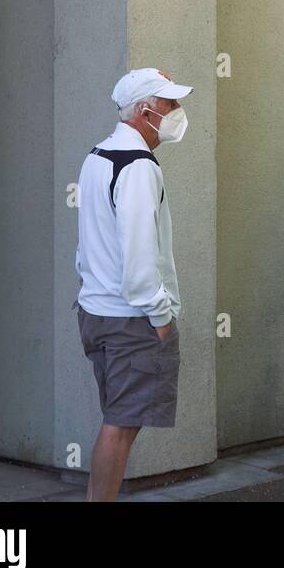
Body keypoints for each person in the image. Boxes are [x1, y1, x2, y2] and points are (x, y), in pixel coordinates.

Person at [74, 67, 193, 501]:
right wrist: (161, 318)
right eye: (170, 104)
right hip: (132, 320)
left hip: (97, 313)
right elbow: (140, 255)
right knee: (120, 427)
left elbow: (86, 244)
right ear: (145, 112)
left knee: (116, 422)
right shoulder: (139, 167)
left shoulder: (96, 157)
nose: (178, 111)